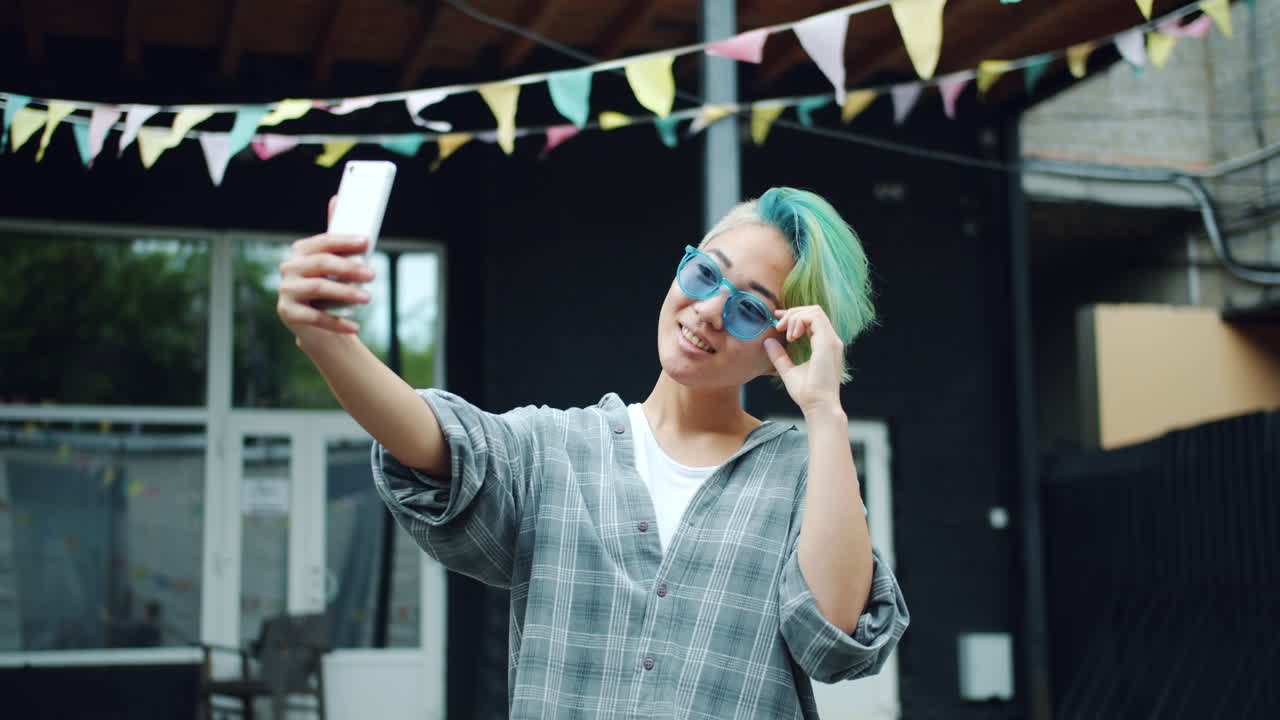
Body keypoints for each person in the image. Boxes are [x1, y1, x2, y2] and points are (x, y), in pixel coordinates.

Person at [276, 187, 909, 718]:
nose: (710, 310)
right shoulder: (558, 449)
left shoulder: (802, 476)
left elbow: (834, 642)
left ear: (785, 341)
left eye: (750, 309)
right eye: (705, 273)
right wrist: (326, 340)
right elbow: (432, 440)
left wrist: (825, 411)